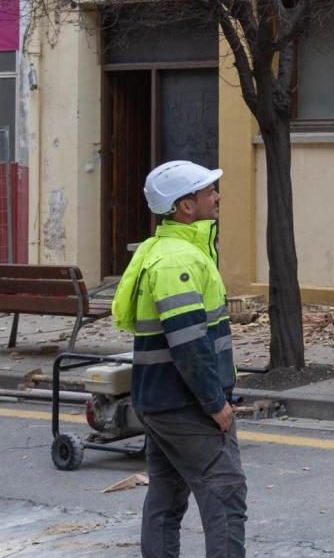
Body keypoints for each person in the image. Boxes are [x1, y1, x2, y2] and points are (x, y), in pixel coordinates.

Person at [111, 160, 246, 557]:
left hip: (161, 400)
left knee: (167, 497)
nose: (217, 196)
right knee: (225, 494)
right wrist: (215, 403)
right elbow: (188, 342)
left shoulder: (163, 250)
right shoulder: (178, 261)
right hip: (185, 403)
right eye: (209, 191)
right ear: (186, 206)